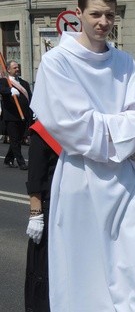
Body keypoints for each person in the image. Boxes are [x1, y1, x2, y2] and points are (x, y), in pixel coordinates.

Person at [30, 0, 135, 311]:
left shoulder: (125, 63)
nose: (103, 22)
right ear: (79, 14)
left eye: (109, 15)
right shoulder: (57, 62)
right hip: (79, 179)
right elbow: (71, 125)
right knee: (84, 272)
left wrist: (103, 125)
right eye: (95, 14)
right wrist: (121, 127)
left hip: (123, 181)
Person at [24, 121, 61, 312]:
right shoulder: (43, 128)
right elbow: (36, 175)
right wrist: (35, 213)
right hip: (49, 211)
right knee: (43, 272)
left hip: (71, 212)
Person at [0, 60, 32, 170]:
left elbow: (30, 98)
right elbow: (1, 89)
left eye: (18, 67)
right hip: (11, 117)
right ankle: (21, 163)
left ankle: (8, 159)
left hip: (23, 116)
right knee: (15, 140)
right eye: (14, 68)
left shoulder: (24, 83)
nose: (17, 69)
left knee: (17, 139)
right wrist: (10, 90)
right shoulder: (4, 81)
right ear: (8, 70)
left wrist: (33, 112)